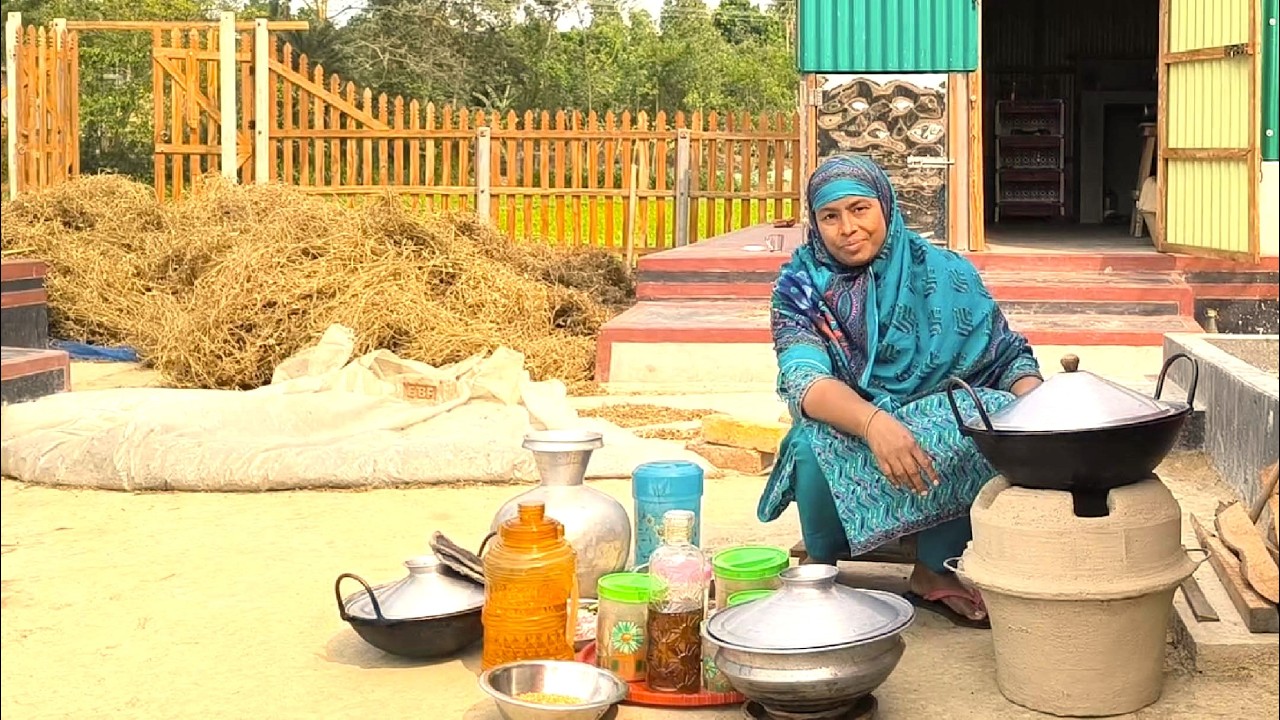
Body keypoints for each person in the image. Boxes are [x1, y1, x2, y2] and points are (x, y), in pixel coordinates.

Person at [760, 154, 1043, 627]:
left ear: (885, 207)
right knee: (811, 440)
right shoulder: (800, 287)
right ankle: (822, 568)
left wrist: (1042, 409)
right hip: (851, 431)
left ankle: (935, 567)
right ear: (815, 222)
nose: (847, 228)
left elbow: (1006, 356)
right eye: (830, 216)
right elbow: (805, 380)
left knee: (991, 416)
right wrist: (874, 424)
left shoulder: (946, 272)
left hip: (937, 434)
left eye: (859, 210)